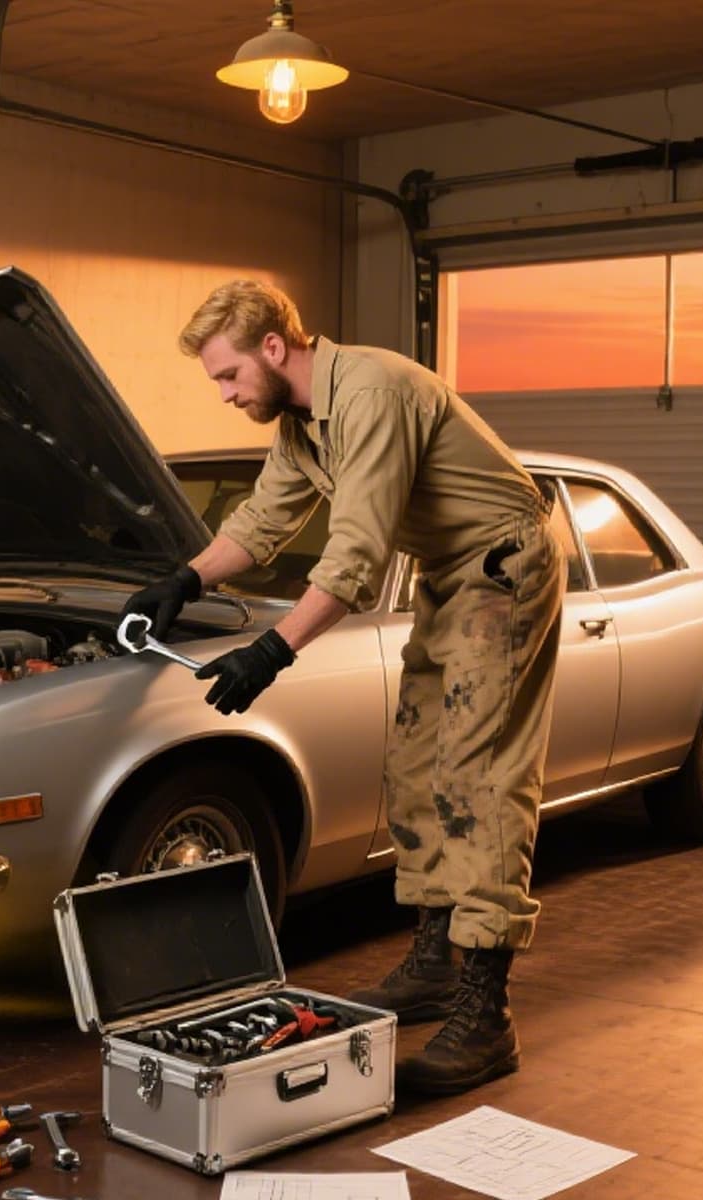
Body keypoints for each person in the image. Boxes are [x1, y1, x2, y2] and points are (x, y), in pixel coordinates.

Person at [124, 279, 566, 1095]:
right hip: (450, 573)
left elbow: (355, 557)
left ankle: (486, 1011)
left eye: (227, 378)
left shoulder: (371, 393)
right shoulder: (300, 424)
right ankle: (435, 963)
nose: (224, 396)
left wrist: (269, 653)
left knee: (479, 778)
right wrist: (182, 578)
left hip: (505, 568)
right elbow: (263, 520)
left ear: (271, 348)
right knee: (414, 766)